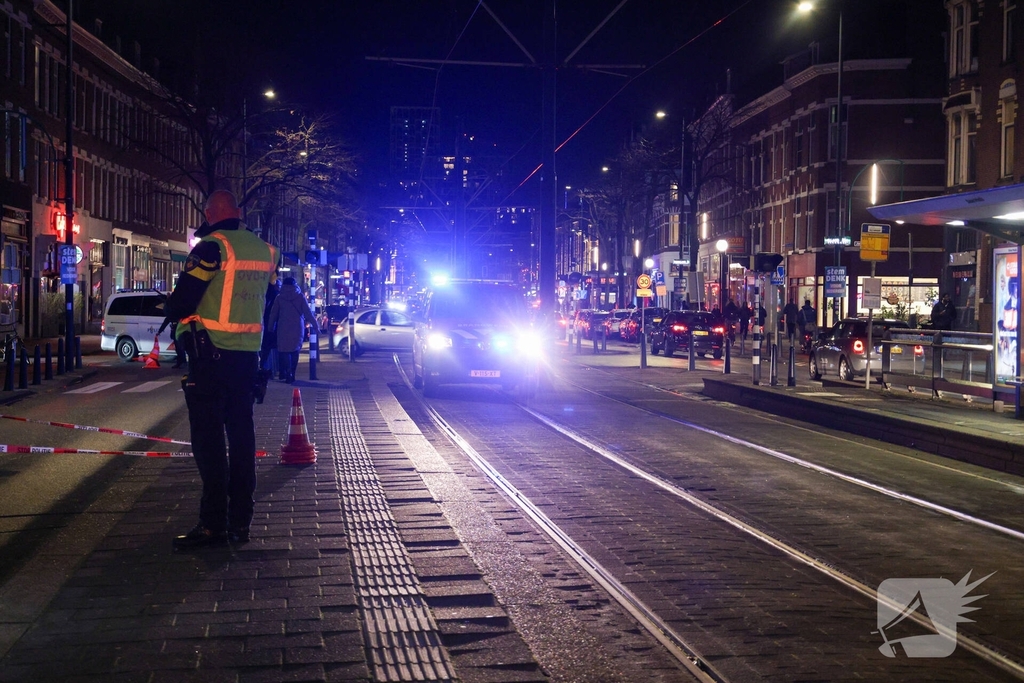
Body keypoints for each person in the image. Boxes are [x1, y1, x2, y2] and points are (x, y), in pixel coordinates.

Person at [164, 190, 278, 549]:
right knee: (242, 438)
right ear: (239, 213)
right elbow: (266, 299)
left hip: (209, 355)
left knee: (209, 441)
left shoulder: (210, 247)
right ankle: (241, 522)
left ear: (210, 215)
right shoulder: (265, 251)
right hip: (247, 357)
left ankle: (213, 523)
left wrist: (170, 308)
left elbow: (185, 299)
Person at [269, 276, 317, 384]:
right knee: (295, 351)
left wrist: (270, 327)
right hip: (297, 328)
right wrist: (316, 326)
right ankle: (293, 373)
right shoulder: (299, 296)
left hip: (283, 327)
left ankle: (288, 372)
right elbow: (308, 313)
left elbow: (273, 314)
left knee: (284, 351)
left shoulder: (280, 297)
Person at [260, 277, 280, 376]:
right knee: (269, 348)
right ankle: (267, 368)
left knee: (263, 348)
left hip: (261, 324)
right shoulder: (276, 296)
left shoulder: (262, 293)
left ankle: (262, 366)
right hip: (271, 326)